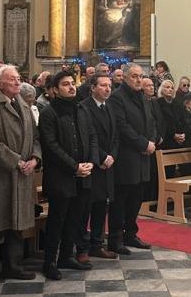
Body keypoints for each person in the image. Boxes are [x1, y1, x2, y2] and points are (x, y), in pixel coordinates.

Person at [0, 65, 41, 289]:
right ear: (0, 83)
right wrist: (17, 161)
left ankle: (12, 265)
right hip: (0, 175)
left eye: (18, 79)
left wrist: (34, 158)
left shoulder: (23, 104)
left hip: (23, 175)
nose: (17, 82)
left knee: (17, 224)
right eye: (13, 79)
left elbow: (35, 137)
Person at [38, 71, 98, 280]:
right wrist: (74, 166)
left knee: (75, 219)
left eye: (73, 83)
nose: (72, 87)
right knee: (57, 221)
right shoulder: (48, 113)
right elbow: (51, 146)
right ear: (54, 89)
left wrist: (90, 161)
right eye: (65, 84)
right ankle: (50, 262)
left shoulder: (81, 109)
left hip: (83, 174)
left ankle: (66, 256)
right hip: (61, 176)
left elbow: (91, 136)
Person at [108, 63, 156, 253]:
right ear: (125, 78)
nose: (138, 79)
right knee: (121, 200)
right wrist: (143, 144)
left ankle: (130, 234)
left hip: (143, 157)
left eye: (140, 76)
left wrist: (151, 141)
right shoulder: (117, 98)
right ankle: (115, 238)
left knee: (136, 198)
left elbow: (151, 122)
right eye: (134, 76)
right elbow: (122, 126)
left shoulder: (143, 97)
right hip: (126, 158)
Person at [78, 74, 119, 261]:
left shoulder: (109, 106)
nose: (108, 89)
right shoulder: (84, 107)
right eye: (103, 85)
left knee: (102, 206)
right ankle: (82, 247)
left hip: (107, 164)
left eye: (109, 85)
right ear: (93, 87)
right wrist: (102, 157)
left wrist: (112, 156)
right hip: (92, 163)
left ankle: (97, 243)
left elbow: (115, 135)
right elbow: (88, 136)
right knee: (86, 207)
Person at [157, 80, 186, 148]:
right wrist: (173, 135)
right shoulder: (157, 103)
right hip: (165, 140)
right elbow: (160, 123)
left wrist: (184, 134)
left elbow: (183, 120)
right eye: (167, 87)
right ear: (161, 89)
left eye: (172, 88)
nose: (170, 89)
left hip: (180, 140)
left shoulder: (177, 103)